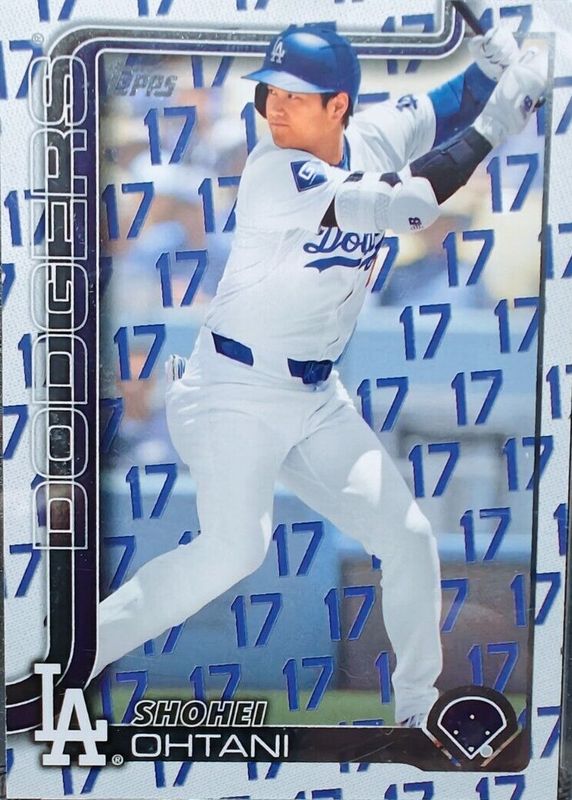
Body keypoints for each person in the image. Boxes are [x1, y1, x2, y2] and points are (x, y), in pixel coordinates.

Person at [92, 22, 546, 726]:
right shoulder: (276, 171)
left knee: (409, 539)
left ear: (339, 106)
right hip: (231, 392)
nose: (274, 106)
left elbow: (447, 101)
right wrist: (501, 118)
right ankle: (74, 656)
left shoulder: (376, 135)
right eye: (269, 91)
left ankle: (417, 715)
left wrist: (491, 70)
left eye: (295, 95)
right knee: (233, 551)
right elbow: (412, 205)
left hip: (314, 395)